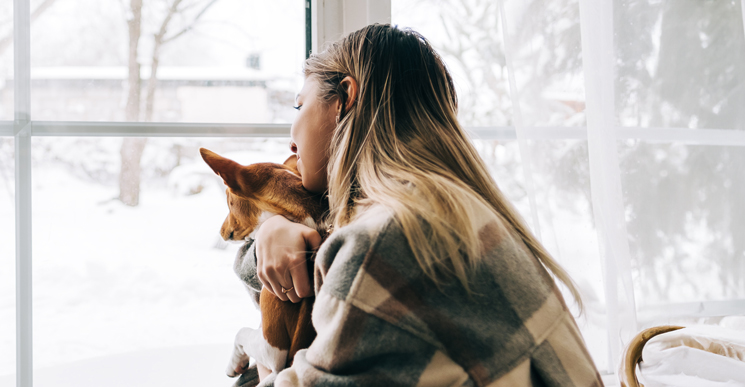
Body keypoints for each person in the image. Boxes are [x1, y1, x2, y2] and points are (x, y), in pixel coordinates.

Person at [232, 24, 603, 386]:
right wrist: (272, 227)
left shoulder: (385, 242)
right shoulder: (449, 212)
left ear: (344, 98)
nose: (291, 138)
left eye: (299, 106)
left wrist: (264, 362)